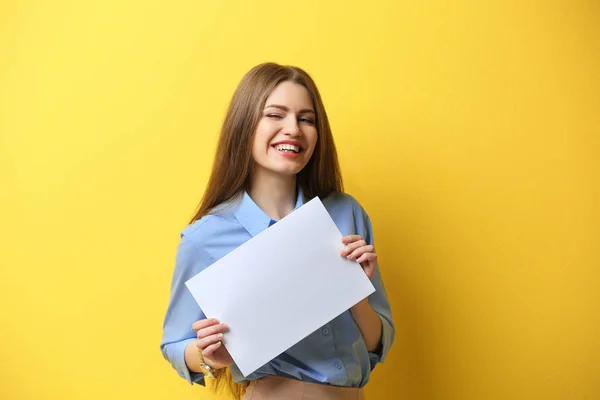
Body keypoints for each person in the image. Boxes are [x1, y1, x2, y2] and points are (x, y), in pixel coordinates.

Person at [160, 62, 394, 400]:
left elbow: (377, 343)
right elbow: (174, 344)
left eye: (306, 119)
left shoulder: (345, 213)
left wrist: (353, 289)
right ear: (245, 126)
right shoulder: (206, 237)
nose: (293, 130)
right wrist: (209, 356)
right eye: (275, 115)